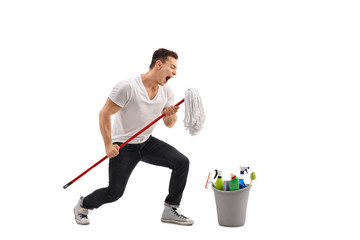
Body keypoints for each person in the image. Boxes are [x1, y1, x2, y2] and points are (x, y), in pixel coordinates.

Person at [73, 48, 193, 226]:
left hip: (146, 142)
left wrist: (169, 114)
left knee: (182, 162)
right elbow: (104, 114)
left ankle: (171, 208)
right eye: (172, 67)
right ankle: (83, 205)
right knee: (114, 193)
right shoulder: (127, 87)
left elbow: (169, 123)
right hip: (124, 145)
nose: (175, 73)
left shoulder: (167, 91)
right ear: (159, 64)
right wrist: (108, 145)